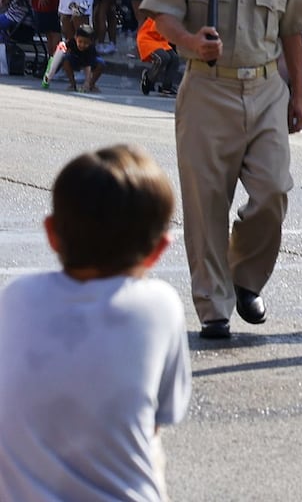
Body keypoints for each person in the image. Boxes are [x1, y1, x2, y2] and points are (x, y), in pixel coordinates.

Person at [141, 0, 302, 339]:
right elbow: (161, 14)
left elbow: (293, 34)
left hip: (265, 91)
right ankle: (214, 306)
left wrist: (299, 97)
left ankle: (245, 278)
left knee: (273, 192)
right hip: (208, 88)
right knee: (206, 205)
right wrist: (190, 42)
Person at [0, 145, 190, 502]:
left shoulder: (16, 298)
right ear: (158, 250)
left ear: (51, 233)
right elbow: (154, 424)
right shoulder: (160, 306)